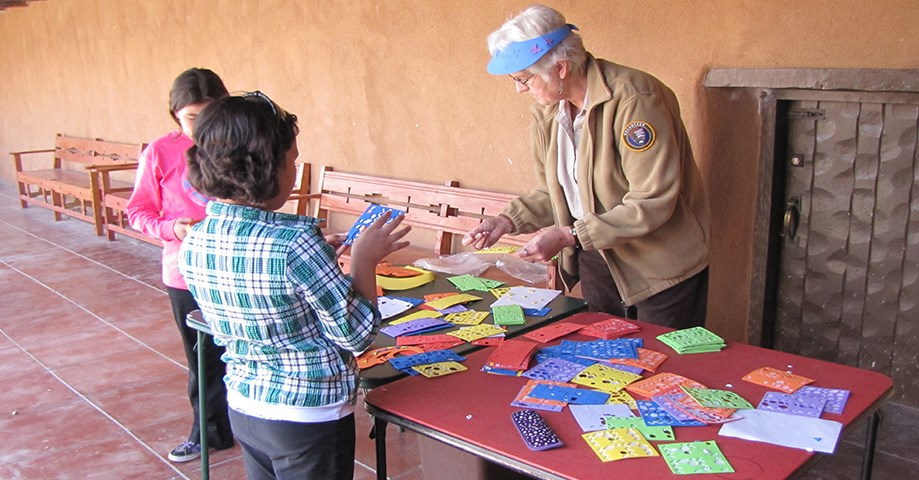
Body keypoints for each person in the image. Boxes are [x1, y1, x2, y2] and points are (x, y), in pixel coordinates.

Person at [177, 91, 411, 480]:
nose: (295, 169)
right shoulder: (295, 245)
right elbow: (356, 335)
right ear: (267, 166)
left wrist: (319, 259)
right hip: (308, 415)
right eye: (293, 160)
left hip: (246, 405)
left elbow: (268, 288)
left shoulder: (197, 238)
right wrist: (364, 261)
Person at [463, 5, 710, 329]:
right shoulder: (550, 113)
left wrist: (570, 235)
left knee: (661, 368)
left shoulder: (635, 100)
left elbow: (652, 200)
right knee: (602, 365)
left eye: (525, 79)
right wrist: (507, 221)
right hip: (598, 256)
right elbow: (557, 192)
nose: (519, 89)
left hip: (659, 266)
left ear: (561, 68)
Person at [126, 68, 234, 462]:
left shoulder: (238, 144)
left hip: (237, 267)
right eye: (191, 117)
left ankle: (253, 425)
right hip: (185, 273)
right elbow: (137, 211)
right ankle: (208, 433)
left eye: (209, 114)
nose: (201, 125)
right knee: (202, 359)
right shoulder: (159, 152)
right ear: (175, 115)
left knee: (244, 350)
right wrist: (172, 227)